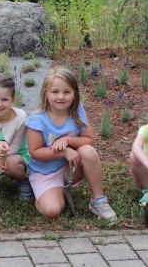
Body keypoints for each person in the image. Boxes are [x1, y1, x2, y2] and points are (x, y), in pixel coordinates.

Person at [25, 67, 117, 222]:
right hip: (45, 174)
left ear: (74, 95)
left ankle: (98, 200)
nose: (61, 97)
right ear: (45, 94)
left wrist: (67, 140)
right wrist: (64, 152)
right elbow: (35, 152)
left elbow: (89, 139)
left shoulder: (77, 111)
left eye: (66, 92)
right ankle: (44, 195)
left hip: (71, 167)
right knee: (52, 210)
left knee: (88, 151)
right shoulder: (37, 119)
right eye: (55, 92)